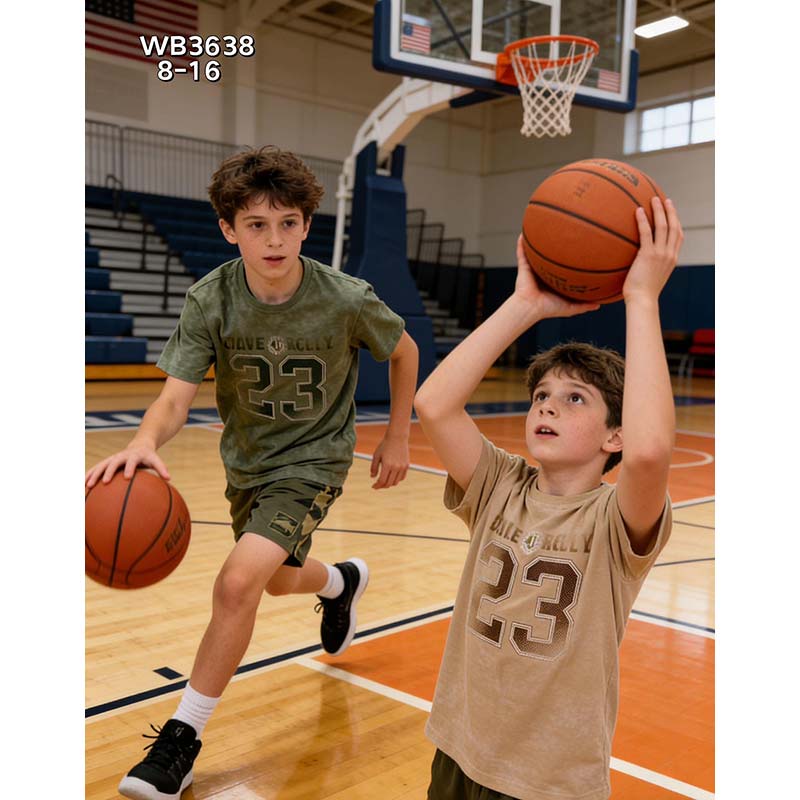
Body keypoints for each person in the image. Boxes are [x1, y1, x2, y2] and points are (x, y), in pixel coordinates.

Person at [85, 145, 419, 800]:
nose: (274, 239)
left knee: (237, 584)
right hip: (247, 464)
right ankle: (341, 583)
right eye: (257, 225)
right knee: (277, 580)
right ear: (228, 228)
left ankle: (180, 740)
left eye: (288, 223)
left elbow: (404, 351)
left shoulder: (346, 297)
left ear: (306, 225)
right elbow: (174, 399)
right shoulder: (210, 299)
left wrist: (398, 435)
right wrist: (145, 441)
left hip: (314, 458)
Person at [413, 197, 683, 800]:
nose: (548, 405)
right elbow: (433, 404)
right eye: (541, 395)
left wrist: (642, 298)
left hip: (549, 781)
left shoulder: (614, 521)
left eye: (575, 398)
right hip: (458, 748)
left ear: (615, 435)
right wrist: (525, 305)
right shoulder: (499, 486)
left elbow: (649, 454)